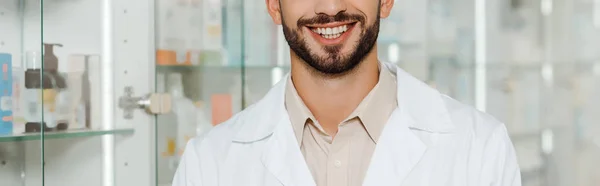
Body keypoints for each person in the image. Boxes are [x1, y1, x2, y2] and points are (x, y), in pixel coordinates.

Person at [172, 0, 522, 185]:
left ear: (386, 1)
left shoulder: (479, 148)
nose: (329, 7)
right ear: (274, 5)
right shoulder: (210, 165)